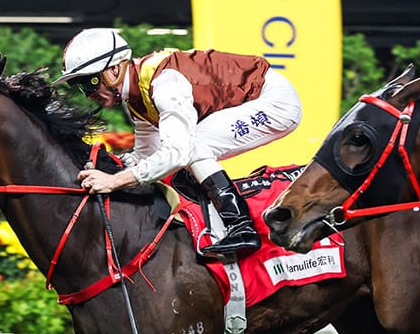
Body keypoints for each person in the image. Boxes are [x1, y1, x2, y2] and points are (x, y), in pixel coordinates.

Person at [57, 28, 303, 261]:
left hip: (275, 101)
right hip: (257, 99)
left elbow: (176, 153)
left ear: (113, 70)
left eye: (88, 83)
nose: (87, 95)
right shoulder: (136, 99)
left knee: (192, 146)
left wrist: (113, 181)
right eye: (78, 86)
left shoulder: (165, 84)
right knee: (184, 154)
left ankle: (241, 227)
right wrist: (107, 166)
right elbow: (146, 155)